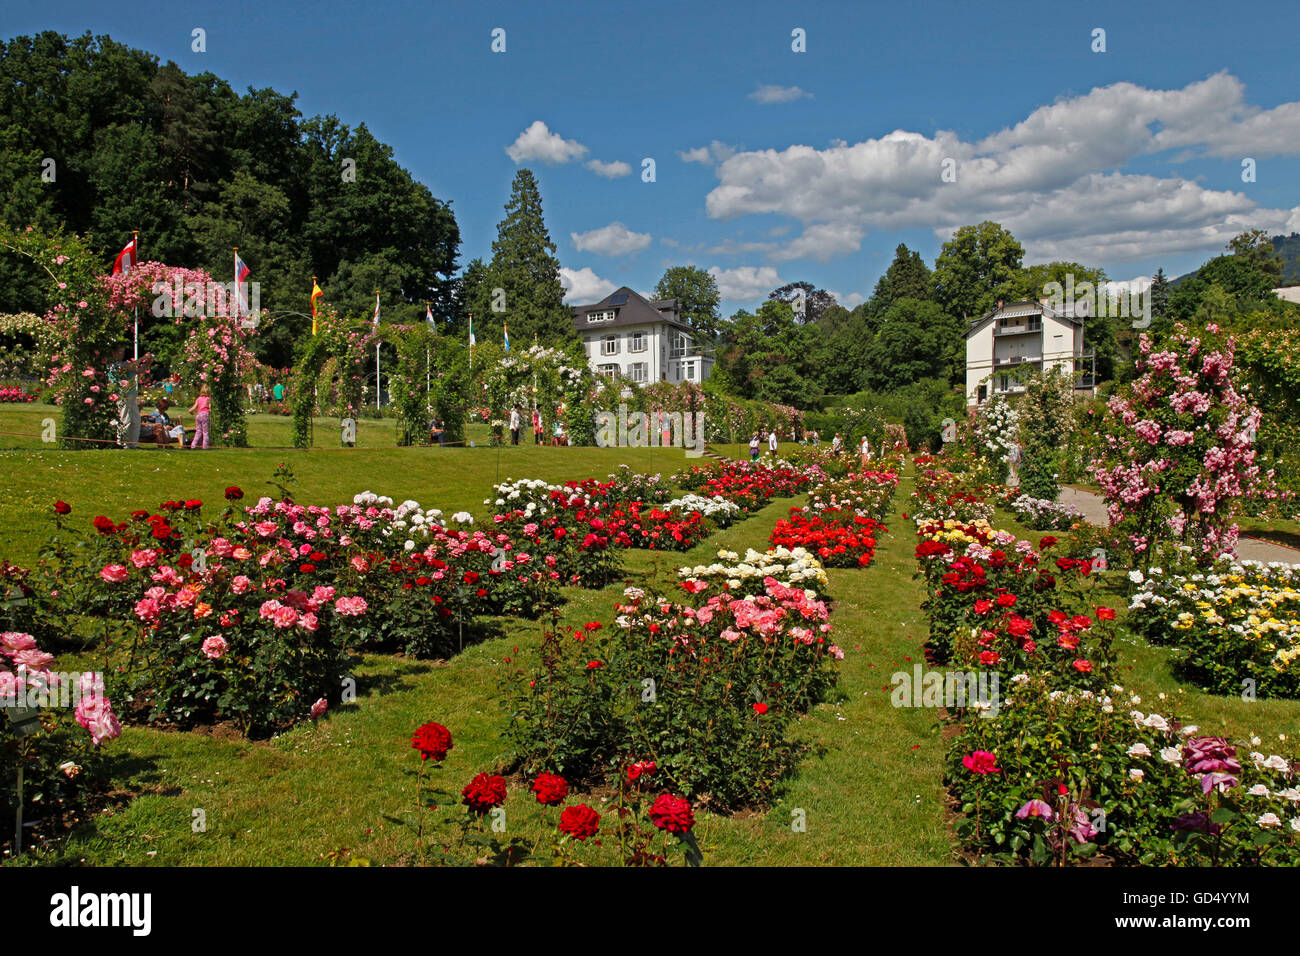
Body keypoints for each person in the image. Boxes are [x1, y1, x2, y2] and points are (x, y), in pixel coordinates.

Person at [107, 347, 141, 449]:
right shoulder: (113, 366)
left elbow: (138, 370)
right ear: (114, 353)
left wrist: (148, 361)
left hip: (131, 394)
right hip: (122, 394)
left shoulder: (125, 364)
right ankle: (122, 442)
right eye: (120, 352)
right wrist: (143, 357)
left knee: (136, 419)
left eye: (123, 352)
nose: (122, 354)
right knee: (125, 418)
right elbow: (126, 369)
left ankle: (133, 443)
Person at [189, 384, 212, 450]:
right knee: (205, 432)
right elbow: (210, 409)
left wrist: (191, 411)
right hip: (205, 415)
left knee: (198, 431)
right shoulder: (208, 399)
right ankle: (205, 446)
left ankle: (193, 445)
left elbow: (193, 408)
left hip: (198, 415)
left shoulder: (198, 399)